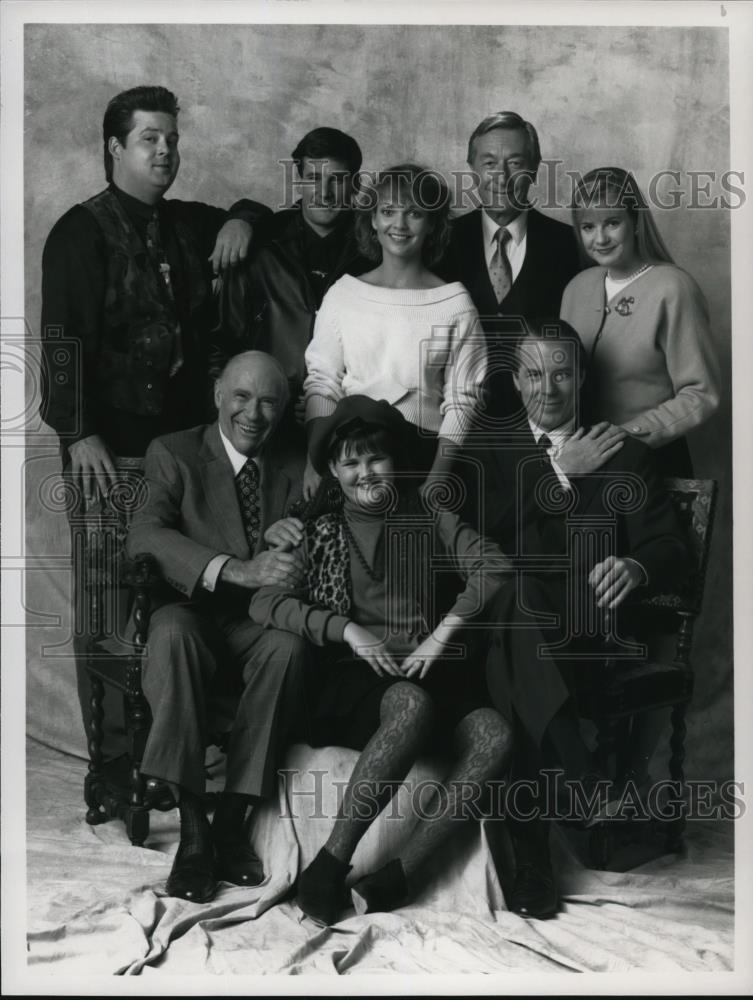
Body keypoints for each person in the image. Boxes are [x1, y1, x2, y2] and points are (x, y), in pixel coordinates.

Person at [39, 85, 270, 757]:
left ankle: (179, 756)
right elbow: (61, 343)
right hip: (108, 453)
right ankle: (114, 764)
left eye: (171, 138)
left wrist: (245, 218)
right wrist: (76, 432)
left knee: (184, 605)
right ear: (114, 147)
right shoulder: (80, 232)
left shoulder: (189, 224)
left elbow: (269, 219)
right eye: (150, 138)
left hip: (186, 452)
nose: (165, 149)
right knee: (110, 608)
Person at [248, 395, 513, 925]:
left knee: (495, 735)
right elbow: (264, 601)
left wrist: (442, 633)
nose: (366, 472)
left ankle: (401, 875)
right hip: (350, 677)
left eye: (375, 458)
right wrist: (345, 629)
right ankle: (327, 868)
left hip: (425, 665)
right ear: (331, 471)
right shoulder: (316, 528)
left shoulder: (429, 513)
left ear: (393, 460)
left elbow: (495, 567)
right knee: (410, 706)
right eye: (350, 462)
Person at [462, 320, 690, 919]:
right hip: (505, 636)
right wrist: (560, 472)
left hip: (589, 641)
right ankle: (581, 784)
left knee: (519, 643)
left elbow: (670, 546)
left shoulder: (626, 452)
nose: (549, 388)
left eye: (562, 372)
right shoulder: (488, 448)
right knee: (515, 606)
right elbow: (475, 540)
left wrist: (637, 568)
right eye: (534, 373)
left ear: (582, 376)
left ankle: (533, 856)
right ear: (515, 379)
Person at [126, 352, 309, 904]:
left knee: (290, 647)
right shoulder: (174, 452)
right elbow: (145, 537)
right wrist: (237, 568)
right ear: (217, 395)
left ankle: (230, 819)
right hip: (189, 613)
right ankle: (193, 829)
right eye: (242, 397)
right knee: (174, 637)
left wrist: (295, 546)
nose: (253, 413)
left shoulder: (298, 460)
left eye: (269, 401)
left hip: (260, 620)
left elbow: (327, 533)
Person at [302, 163, 486, 498]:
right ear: (372, 219)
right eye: (388, 211)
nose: (399, 224)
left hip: (422, 458)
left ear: (432, 223)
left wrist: (437, 478)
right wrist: (314, 461)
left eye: (414, 213)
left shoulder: (455, 303)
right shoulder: (343, 294)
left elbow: (463, 400)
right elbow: (322, 381)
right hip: (351, 458)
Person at [216, 127, 371, 457]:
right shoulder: (259, 245)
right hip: (264, 422)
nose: (324, 192)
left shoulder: (376, 250)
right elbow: (223, 340)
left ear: (355, 185)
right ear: (298, 181)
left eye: (338, 179)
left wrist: (336, 400)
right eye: (313, 178)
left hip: (348, 429)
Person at [560, 166, 720, 476]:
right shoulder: (576, 288)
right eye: (588, 227)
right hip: (582, 462)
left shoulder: (673, 288)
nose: (601, 238)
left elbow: (700, 394)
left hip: (651, 461)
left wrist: (627, 435)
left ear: (635, 222)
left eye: (613, 223)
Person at [438, 111, 582, 425]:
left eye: (515, 163)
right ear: (472, 169)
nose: (501, 175)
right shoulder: (439, 244)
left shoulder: (572, 247)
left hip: (542, 430)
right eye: (489, 162)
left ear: (534, 169)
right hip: (453, 428)